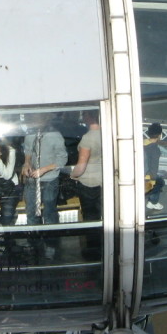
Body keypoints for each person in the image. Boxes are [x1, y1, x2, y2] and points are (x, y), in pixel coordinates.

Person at [22, 112, 68, 260]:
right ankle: (34, 245)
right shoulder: (30, 135)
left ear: (45, 119)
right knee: (30, 212)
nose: (34, 121)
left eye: (37, 118)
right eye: (33, 119)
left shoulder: (55, 135)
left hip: (49, 179)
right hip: (32, 179)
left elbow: (62, 159)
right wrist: (27, 163)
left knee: (49, 213)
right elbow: (28, 152)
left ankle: (51, 245)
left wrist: (44, 169)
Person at [70, 110, 103, 261]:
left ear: (89, 117)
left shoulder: (87, 138)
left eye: (84, 115)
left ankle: (93, 251)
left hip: (88, 182)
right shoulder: (106, 134)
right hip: (104, 180)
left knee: (91, 217)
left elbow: (81, 166)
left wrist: (72, 175)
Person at [144, 122, 165, 211]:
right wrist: (152, 181)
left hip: (139, 173)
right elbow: (154, 167)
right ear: (160, 135)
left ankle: (151, 200)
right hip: (147, 177)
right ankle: (153, 202)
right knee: (160, 183)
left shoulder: (143, 143)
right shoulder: (155, 149)